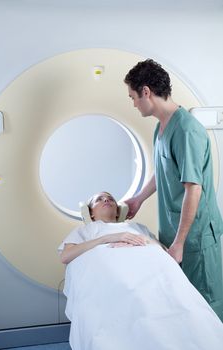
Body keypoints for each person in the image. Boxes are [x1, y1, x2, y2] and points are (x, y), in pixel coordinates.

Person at [59, 192, 223, 350]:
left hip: (148, 263)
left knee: (174, 294)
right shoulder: (85, 231)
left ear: (118, 210)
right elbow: (66, 256)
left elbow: (164, 251)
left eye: (110, 198)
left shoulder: (136, 227)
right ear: (91, 214)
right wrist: (107, 238)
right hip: (110, 266)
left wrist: (139, 241)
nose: (106, 200)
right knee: (126, 292)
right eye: (99, 199)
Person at [124, 59, 223, 321]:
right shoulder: (161, 126)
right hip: (174, 230)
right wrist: (139, 199)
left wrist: (179, 243)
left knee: (206, 303)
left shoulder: (187, 130)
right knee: (183, 304)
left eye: (133, 97)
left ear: (146, 92)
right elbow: (163, 170)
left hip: (195, 237)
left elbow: (193, 189)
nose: (133, 103)